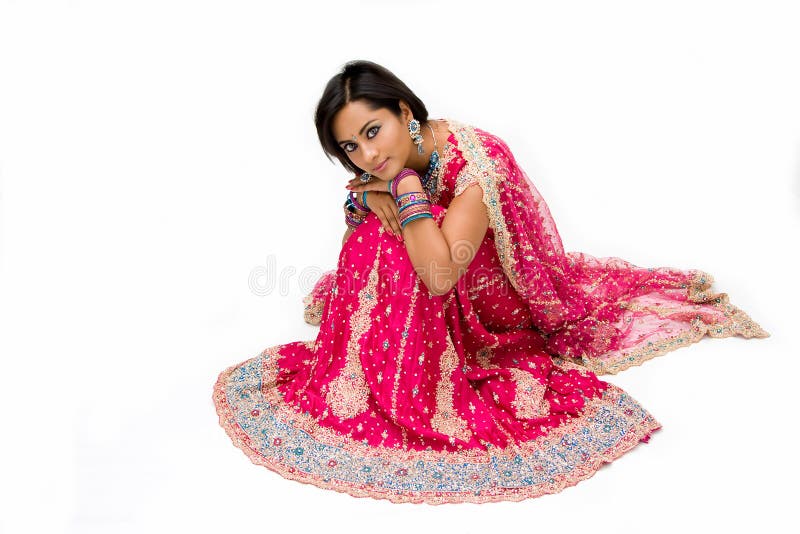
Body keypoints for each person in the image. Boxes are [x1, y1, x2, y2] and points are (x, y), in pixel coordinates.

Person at [212, 60, 769, 504]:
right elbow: (365, 209)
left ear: (404, 111)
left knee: (393, 238)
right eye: (351, 148)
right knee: (377, 235)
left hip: (490, 293)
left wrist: (400, 190)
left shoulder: (476, 165)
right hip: (440, 262)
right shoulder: (388, 162)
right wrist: (373, 192)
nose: (369, 154)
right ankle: (375, 367)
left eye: (373, 131)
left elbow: (439, 273)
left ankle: (412, 375)